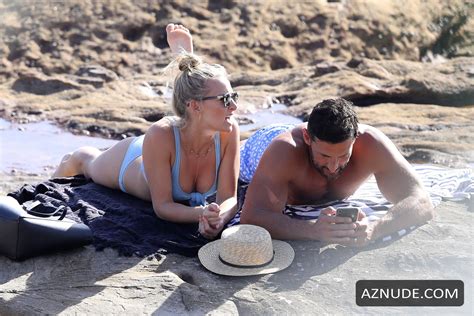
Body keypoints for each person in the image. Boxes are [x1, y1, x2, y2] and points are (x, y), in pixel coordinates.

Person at [53, 24, 240, 239]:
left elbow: (229, 198)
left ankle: (185, 59)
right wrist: (201, 214)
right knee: (86, 161)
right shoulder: (160, 133)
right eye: (225, 99)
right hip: (134, 159)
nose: (233, 106)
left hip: (173, 142)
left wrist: (217, 220)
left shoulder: (229, 130)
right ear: (195, 106)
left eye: (234, 96)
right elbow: (163, 206)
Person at [240, 98, 434, 246]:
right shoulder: (284, 151)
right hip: (259, 147)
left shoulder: (371, 142)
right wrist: (312, 230)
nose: (333, 167)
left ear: (356, 138)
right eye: (324, 156)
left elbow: (421, 201)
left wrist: (375, 229)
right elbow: (252, 216)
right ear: (308, 138)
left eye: (343, 156)